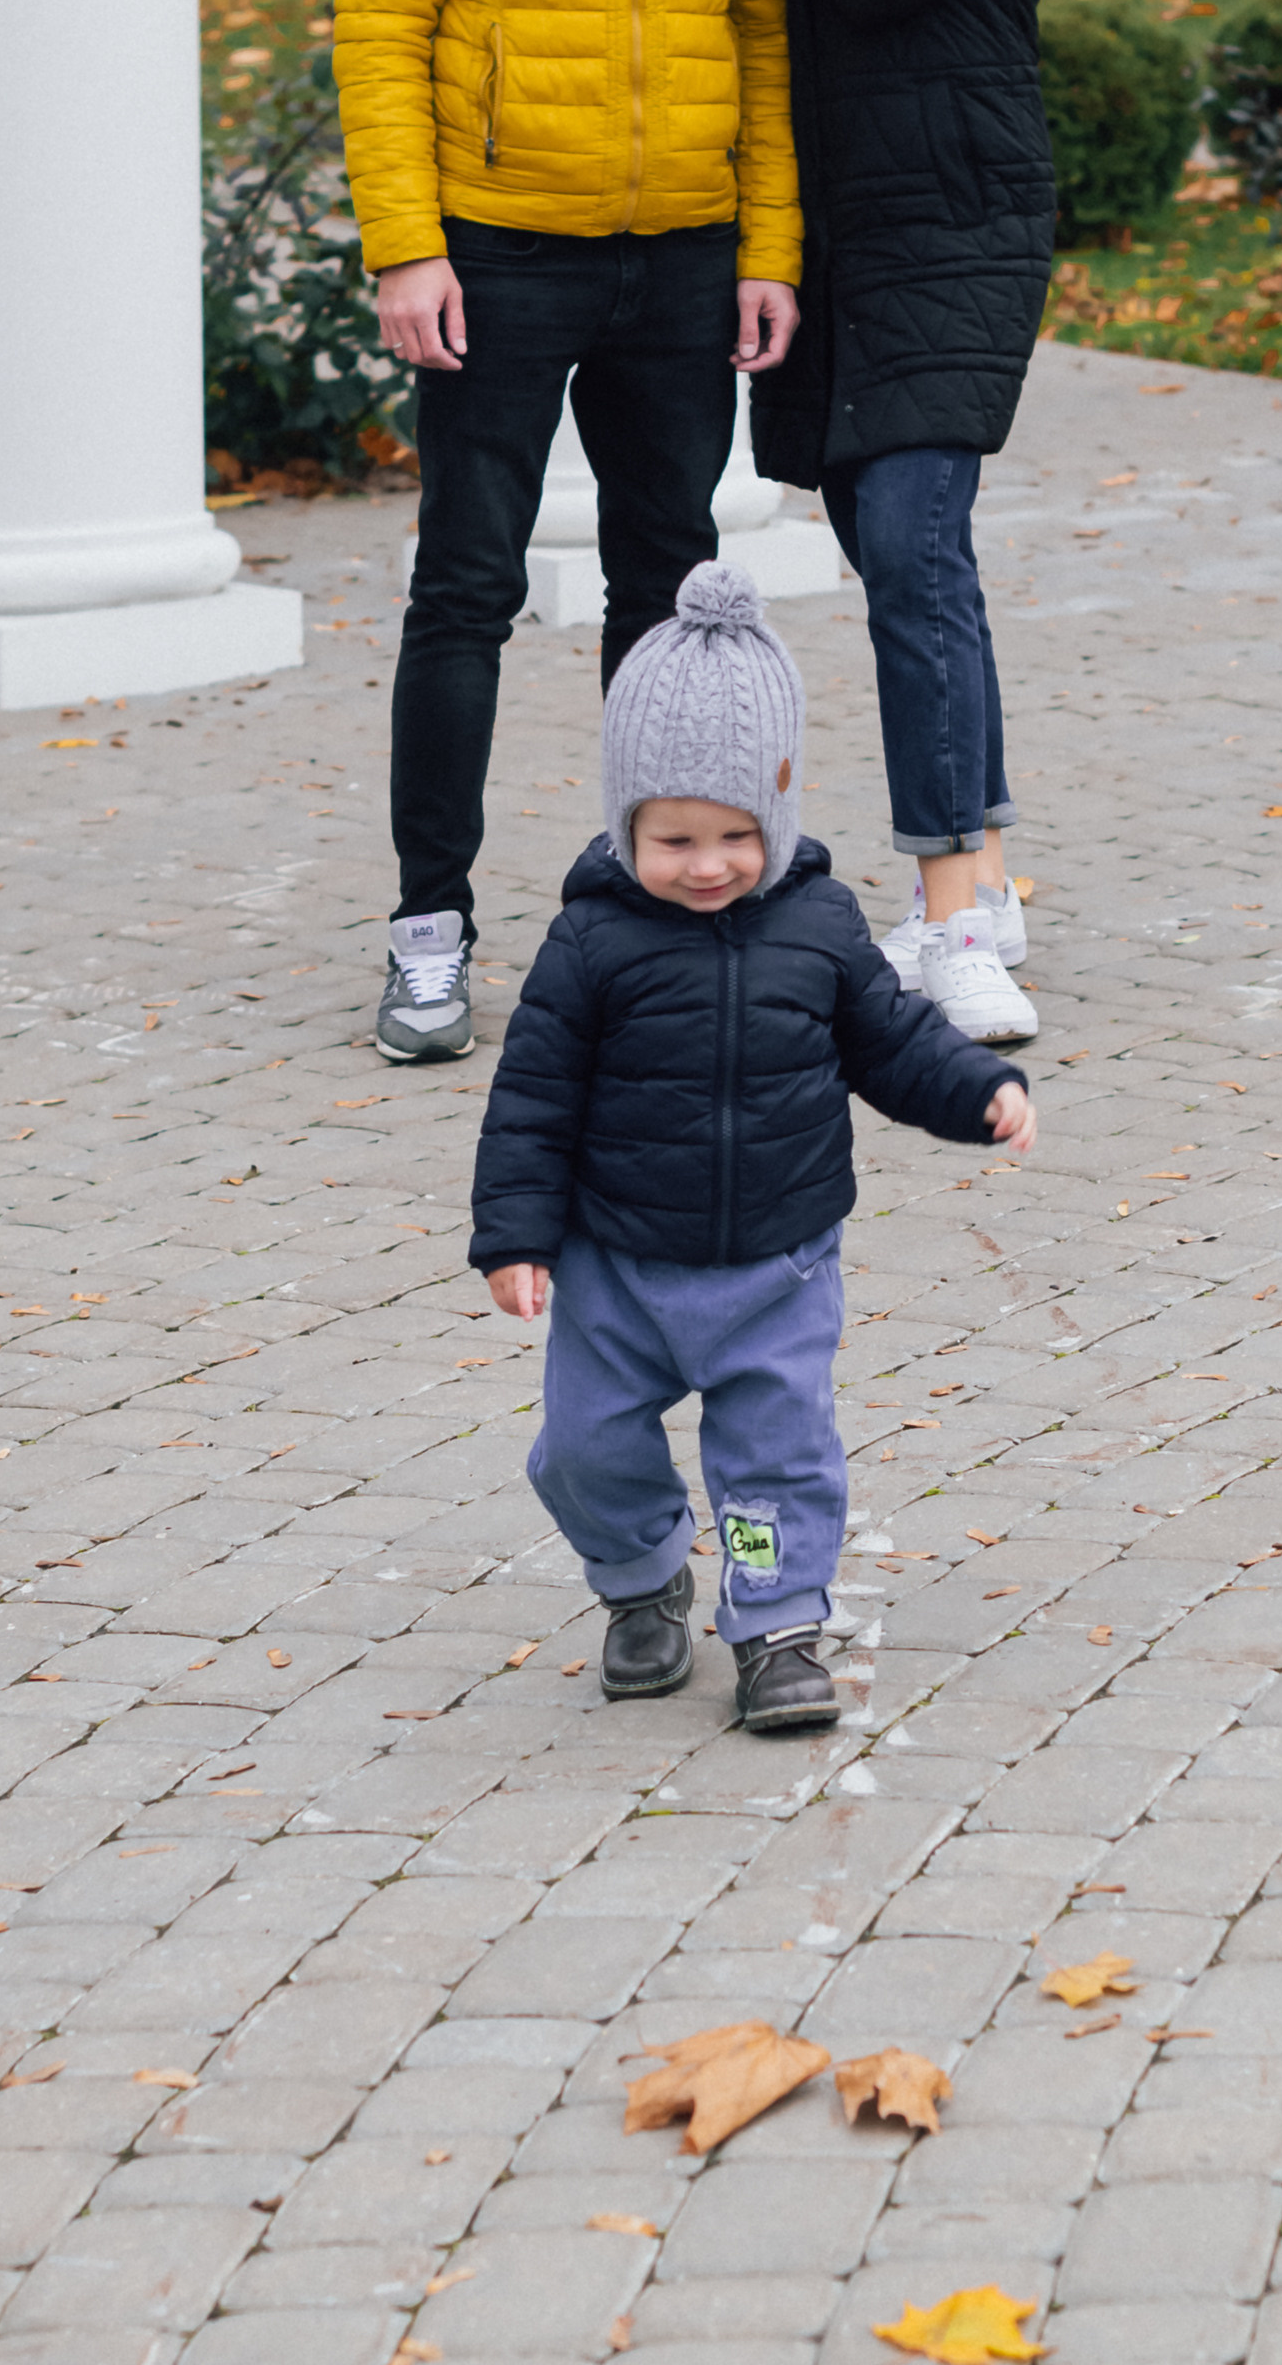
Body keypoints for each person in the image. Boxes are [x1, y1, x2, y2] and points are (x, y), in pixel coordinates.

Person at [335, 0, 802, 1066]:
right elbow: (382, 22)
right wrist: (405, 242)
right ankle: (428, 928)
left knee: (669, 596)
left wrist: (771, 247)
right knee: (464, 586)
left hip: (683, 255)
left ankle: (648, 917)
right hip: (495, 250)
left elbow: (762, 31)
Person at [469, 562, 1035, 1733]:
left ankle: (775, 1624)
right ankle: (639, 1582)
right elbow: (530, 1097)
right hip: (615, 1266)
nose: (710, 864)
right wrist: (514, 1236)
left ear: (776, 814)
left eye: (736, 834)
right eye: (674, 838)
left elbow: (890, 1041)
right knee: (580, 1451)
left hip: (774, 1265)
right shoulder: (589, 942)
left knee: (774, 1455)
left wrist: (973, 1089)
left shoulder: (818, 925)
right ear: (625, 822)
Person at [711, 0, 1056, 1046]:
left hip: (954, 222)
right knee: (910, 567)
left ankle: (953, 917)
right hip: (846, 233)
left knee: (914, 561)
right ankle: (985, 868)